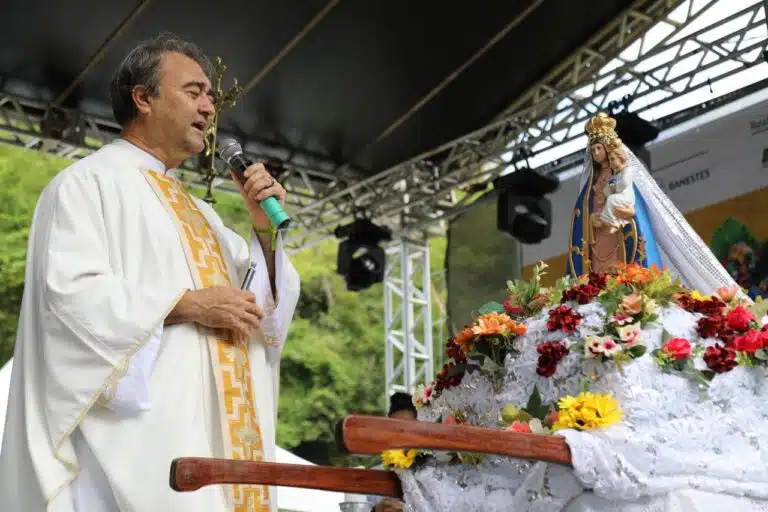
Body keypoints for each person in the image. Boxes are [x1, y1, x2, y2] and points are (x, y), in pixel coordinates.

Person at [0, 33, 300, 512]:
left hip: (214, 441)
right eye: (194, 92)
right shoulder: (86, 184)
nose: (209, 108)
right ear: (143, 98)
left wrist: (263, 232)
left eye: (210, 96)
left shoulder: (203, 214)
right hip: (134, 451)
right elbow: (71, 299)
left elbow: (263, 313)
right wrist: (188, 304)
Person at [568, 112, 738, 294]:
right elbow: (583, 218)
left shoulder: (624, 177)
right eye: (593, 150)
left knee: (622, 271)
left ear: (608, 148)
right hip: (599, 239)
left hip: (619, 235)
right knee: (600, 275)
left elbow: (632, 211)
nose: (595, 153)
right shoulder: (590, 186)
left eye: (599, 148)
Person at [366, 392, 417, 512]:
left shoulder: (433, 477)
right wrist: (376, 510)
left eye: (407, 429)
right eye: (394, 429)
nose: (400, 436)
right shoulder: (374, 476)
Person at [595, 147, 634, 235]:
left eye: (612, 159)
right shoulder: (615, 175)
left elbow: (624, 183)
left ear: (621, 159)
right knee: (611, 200)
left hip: (626, 196)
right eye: (609, 160)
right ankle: (612, 221)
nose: (610, 162)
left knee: (611, 199)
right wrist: (606, 191)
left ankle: (613, 223)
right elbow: (608, 188)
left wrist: (614, 187)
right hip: (619, 197)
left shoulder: (627, 170)